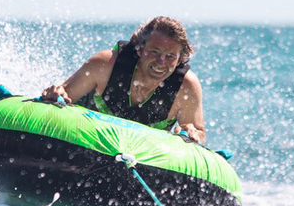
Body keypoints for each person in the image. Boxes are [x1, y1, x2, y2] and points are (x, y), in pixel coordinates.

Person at [41, 16, 207, 144]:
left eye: (170, 56)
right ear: (140, 49)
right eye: (154, 52)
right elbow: (62, 97)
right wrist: (56, 92)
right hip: (83, 141)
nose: (161, 62)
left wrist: (192, 132)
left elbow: (199, 133)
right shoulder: (105, 64)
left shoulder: (186, 86)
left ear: (179, 60)